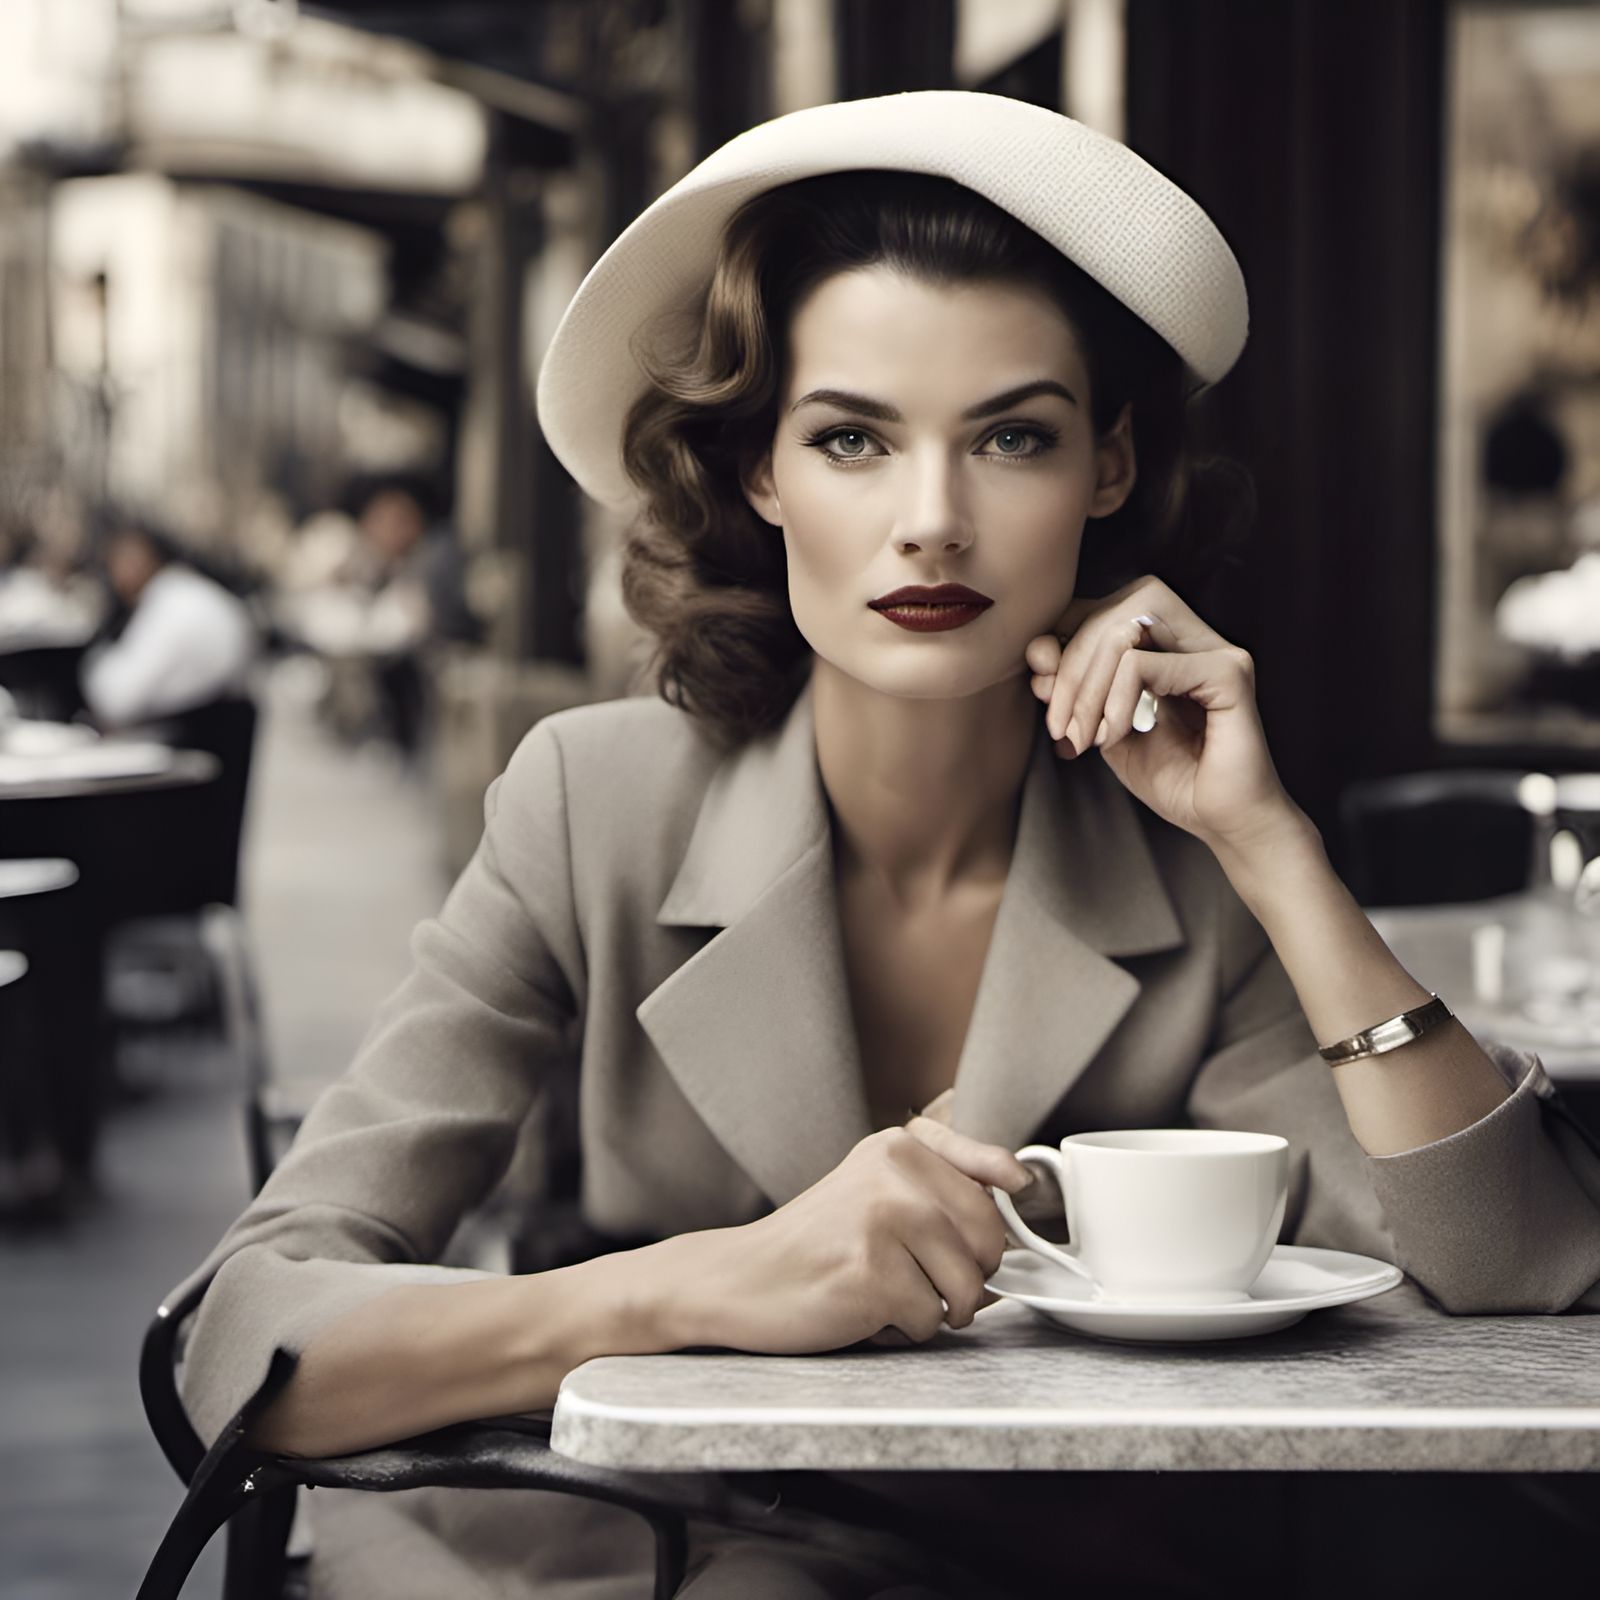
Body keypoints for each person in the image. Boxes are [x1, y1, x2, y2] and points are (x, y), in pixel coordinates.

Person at [163, 94, 1600, 1598]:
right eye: (853, 437)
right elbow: (246, 1345)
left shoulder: (1192, 859)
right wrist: (724, 1279)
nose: (934, 522)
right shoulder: (591, 800)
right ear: (759, 473)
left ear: (1107, 468)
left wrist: (1276, 848)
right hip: (625, 1551)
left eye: (1013, 437)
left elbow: (1522, 1283)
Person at [79, 517, 258, 731]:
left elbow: (117, 700)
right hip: (211, 732)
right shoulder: (189, 591)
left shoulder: (172, 604)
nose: (117, 574)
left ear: (148, 557)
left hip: (189, 737)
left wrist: (94, 663)